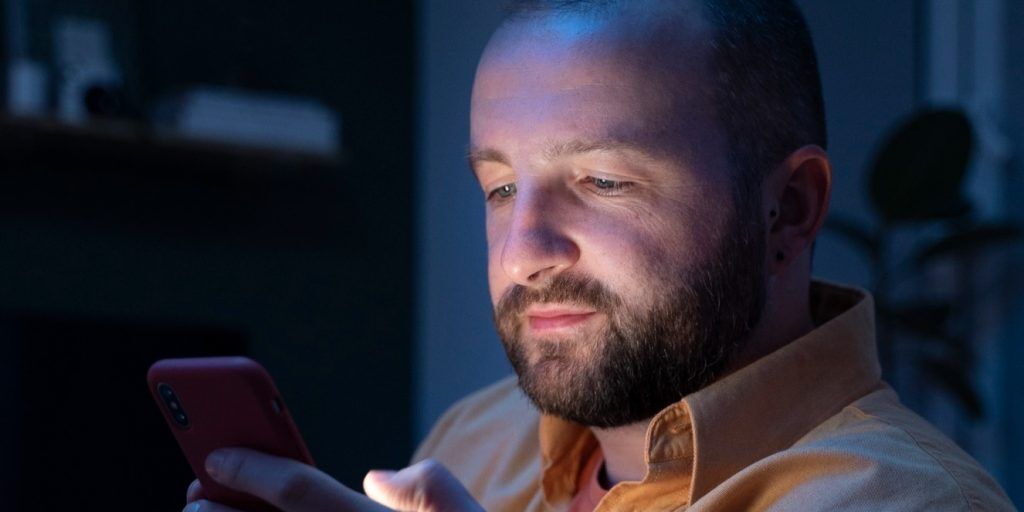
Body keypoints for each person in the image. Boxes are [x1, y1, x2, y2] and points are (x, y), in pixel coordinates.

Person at [181, 0, 1016, 511]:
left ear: (788, 211)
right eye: (501, 188)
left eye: (605, 180)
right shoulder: (476, 438)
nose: (524, 253)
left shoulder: (898, 503)